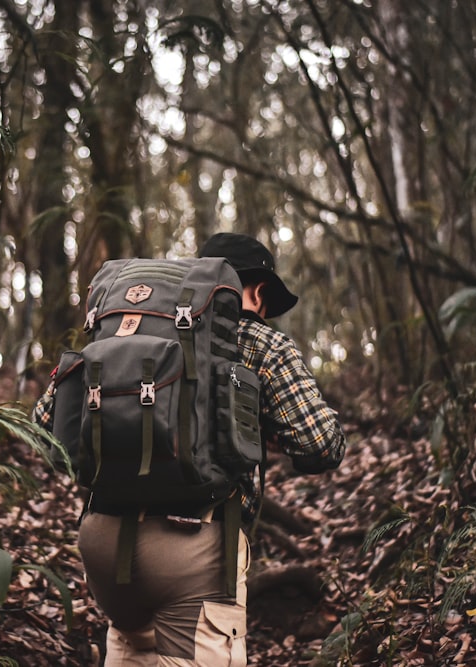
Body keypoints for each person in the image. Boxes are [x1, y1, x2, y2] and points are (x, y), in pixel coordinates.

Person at [33, 232, 346, 666]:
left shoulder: (117, 330)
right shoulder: (263, 343)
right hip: (195, 549)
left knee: (133, 649)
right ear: (257, 289)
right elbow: (322, 443)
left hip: (103, 543)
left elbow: (43, 424)